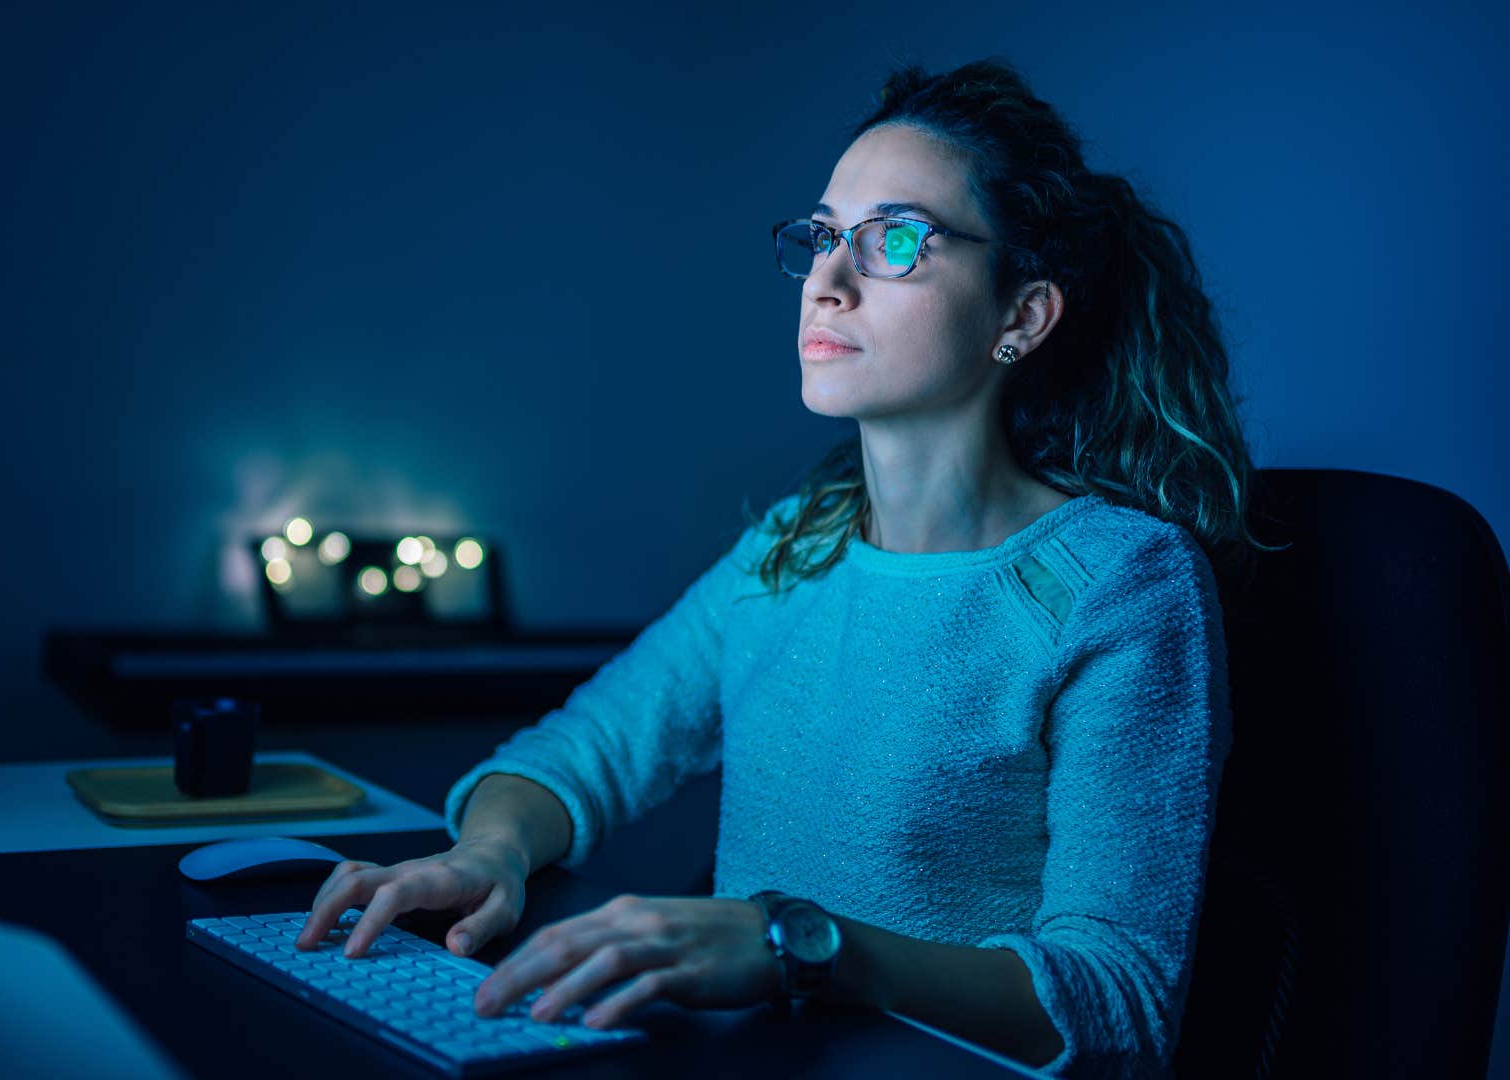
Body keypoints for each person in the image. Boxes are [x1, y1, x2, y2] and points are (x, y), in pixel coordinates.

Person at [298, 56, 1280, 1078]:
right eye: (822, 237)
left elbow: (1117, 1000)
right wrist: (488, 851)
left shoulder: (1121, 584)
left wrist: (798, 948)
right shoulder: (793, 546)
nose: (828, 280)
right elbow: (575, 754)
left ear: (1021, 316)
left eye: (895, 240)